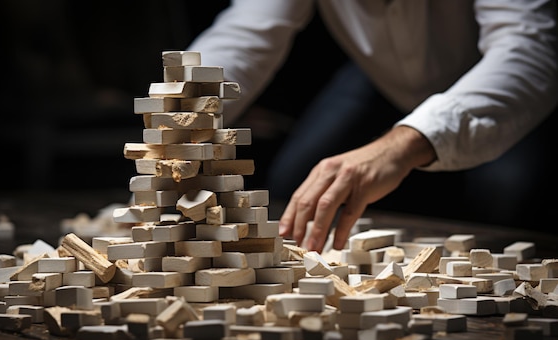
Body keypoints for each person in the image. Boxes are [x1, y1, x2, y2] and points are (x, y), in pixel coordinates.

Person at [186, 0, 558, 253]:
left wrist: (403, 144)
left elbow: (530, 51)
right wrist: (180, 123)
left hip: (497, 84)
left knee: (508, 192)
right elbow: (246, 35)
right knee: (292, 182)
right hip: (379, 80)